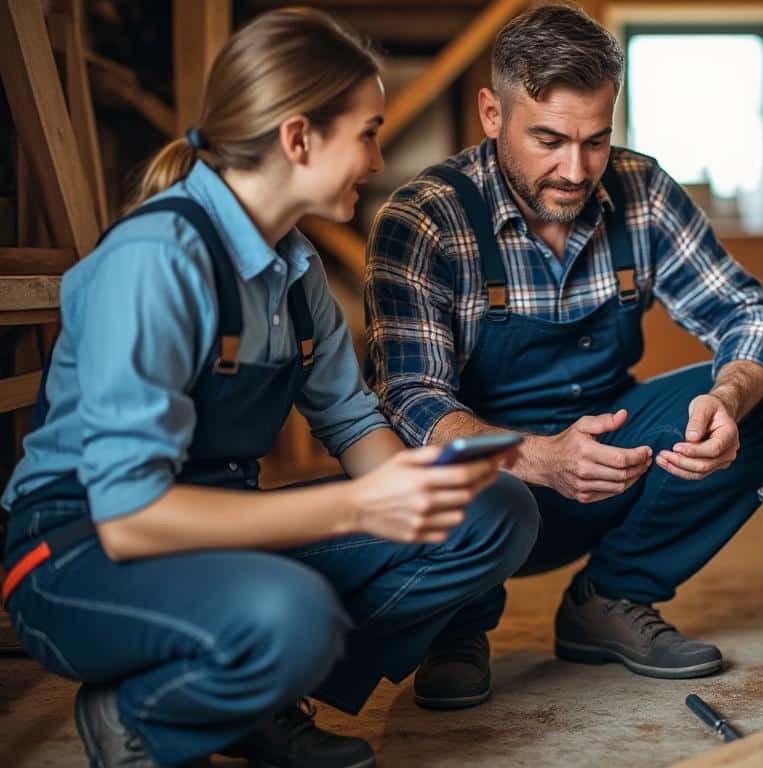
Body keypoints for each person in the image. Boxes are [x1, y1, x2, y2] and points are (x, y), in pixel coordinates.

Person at [0, 9, 538, 767]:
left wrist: (427, 489)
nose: (378, 159)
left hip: (223, 531)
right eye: (368, 134)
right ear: (298, 138)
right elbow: (129, 518)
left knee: (495, 513)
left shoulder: (295, 268)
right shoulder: (156, 259)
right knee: (293, 616)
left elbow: (353, 423)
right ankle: (145, 708)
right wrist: (360, 507)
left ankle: (253, 700)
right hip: (78, 555)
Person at [365, 3, 763, 708]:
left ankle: (610, 597)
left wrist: (727, 398)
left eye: (596, 141)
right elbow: (410, 398)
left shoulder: (641, 188)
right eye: (548, 139)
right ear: (491, 114)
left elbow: (750, 316)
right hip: (490, 491)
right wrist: (538, 457)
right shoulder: (424, 220)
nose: (575, 170)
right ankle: (457, 626)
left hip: (611, 464)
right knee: (452, 465)